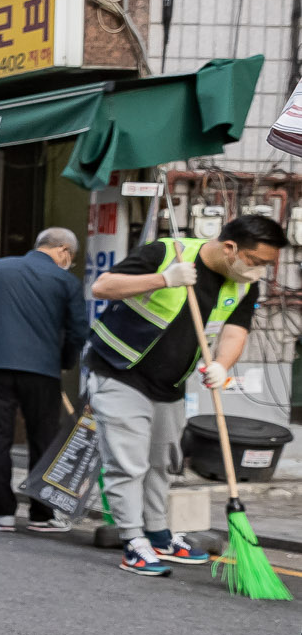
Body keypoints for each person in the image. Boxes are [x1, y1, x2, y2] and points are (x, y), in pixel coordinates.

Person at [86, 213, 287, 576]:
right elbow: (102, 286)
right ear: (231, 248)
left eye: (266, 266)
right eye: (255, 262)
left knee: (161, 462)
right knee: (128, 463)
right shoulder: (167, 253)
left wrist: (223, 366)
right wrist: (165, 279)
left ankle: (158, 533)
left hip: (170, 384)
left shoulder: (244, 285)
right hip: (119, 371)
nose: (258, 272)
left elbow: (235, 331)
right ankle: (133, 540)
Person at [0, 227, 91, 534]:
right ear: (63, 251)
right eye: (70, 256)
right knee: (43, 441)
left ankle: (2, 512)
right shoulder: (66, 281)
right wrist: (65, 362)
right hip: (43, 371)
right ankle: (41, 514)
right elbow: (78, 331)